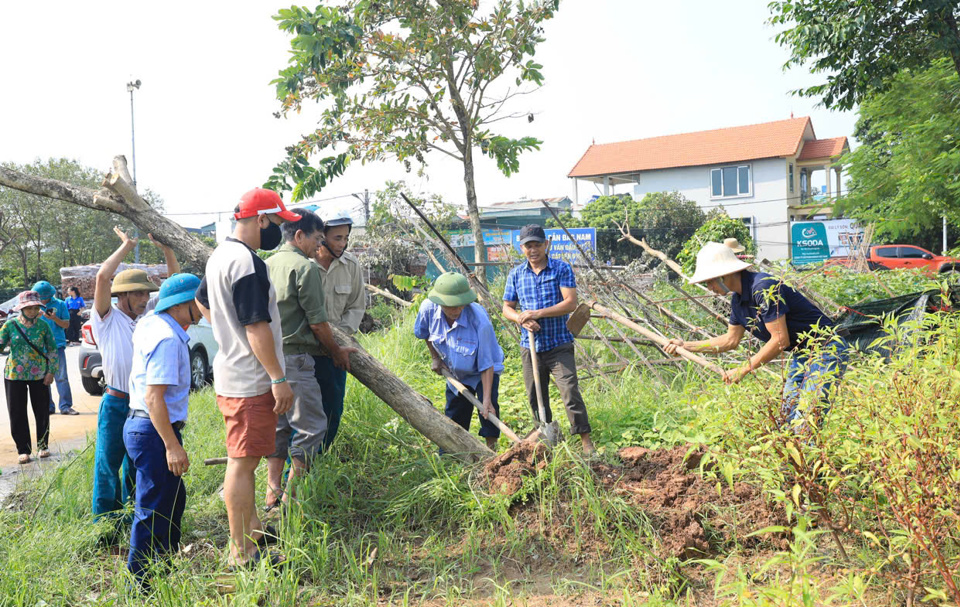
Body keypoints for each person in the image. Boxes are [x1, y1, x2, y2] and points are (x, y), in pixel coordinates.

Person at [196, 187, 300, 568]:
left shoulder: (220, 256)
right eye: (276, 223)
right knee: (243, 463)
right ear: (260, 220)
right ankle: (242, 551)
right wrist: (277, 377)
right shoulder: (248, 264)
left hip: (232, 373)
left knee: (244, 459)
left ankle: (254, 533)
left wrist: (227, 335)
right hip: (252, 380)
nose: (278, 232)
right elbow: (256, 326)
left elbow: (202, 300)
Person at [664, 242, 848, 428]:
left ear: (724, 275)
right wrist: (684, 346)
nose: (709, 287)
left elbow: (779, 340)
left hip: (826, 348)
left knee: (807, 420)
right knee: (787, 418)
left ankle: (812, 455)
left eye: (710, 280)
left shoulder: (763, 287)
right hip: (802, 353)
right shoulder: (738, 301)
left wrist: (743, 369)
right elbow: (730, 340)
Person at [264, 209, 356, 510]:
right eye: (317, 239)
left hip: (271, 360)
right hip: (299, 358)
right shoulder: (304, 268)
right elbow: (318, 324)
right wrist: (337, 352)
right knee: (313, 427)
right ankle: (292, 499)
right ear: (299, 235)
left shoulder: (267, 264)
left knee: (280, 427)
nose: (320, 246)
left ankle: (272, 492)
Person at [91, 228, 180, 524]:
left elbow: (175, 283)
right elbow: (103, 277)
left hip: (142, 406)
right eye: (139, 293)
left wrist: (166, 248)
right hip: (116, 403)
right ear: (123, 296)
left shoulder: (149, 317)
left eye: (146, 293)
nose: (145, 298)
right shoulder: (106, 318)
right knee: (107, 465)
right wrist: (127, 247)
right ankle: (104, 528)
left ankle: (133, 522)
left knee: (136, 468)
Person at [124, 273, 202, 586]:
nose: (204, 309)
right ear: (183, 305)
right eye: (200, 302)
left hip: (143, 426)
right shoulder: (168, 340)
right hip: (154, 429)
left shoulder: (151, 323)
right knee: (152, 508)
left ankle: (163, 567)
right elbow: (154, 398)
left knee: (172, 499)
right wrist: (172, 445)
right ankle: (139, 583)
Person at [502, 224, 595, 455]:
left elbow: (570, 303)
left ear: (546, 245)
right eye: (528, 246)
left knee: (570, 391)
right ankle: (546, 439)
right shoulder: (516, 274)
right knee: (536, 396)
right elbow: (507, 308)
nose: (533, 250)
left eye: (537, 245)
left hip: (558, 344)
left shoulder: (560, 269)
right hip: (530, 346)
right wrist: (521, 320)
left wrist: (537, 313)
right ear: (521, 248)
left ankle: (586, 442)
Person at [415, 273, 504, 451]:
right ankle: (451, 456)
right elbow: (424, 334)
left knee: (489, 411)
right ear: (440, 303)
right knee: (455, 414)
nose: (456, 311)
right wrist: (435, 357)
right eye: (450, 307)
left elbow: (486, 363)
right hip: (456, 373)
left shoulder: (479, 320)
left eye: (460, 305)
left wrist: (485, 399)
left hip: (483, 371)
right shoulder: (428, 309)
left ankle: (491, 453)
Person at [314, 208, 365, 449]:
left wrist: (337, 339)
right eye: (337, 238)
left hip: (336, 352)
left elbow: (356, 306)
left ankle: (318, 462)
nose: (343, 243)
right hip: (304, 353)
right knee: (302, 416)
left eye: (346, 238)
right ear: (321, 235)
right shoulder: (304, 263)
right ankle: (291, 476)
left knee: (333, 410)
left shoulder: (351, 265)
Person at [0, 291, 58, 464]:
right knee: (17, 412)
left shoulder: (43, 326)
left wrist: (51, 372)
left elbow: (53, 350)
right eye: (29, 308)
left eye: (35, 308)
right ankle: (23, 449)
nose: (33, 311)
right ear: (22, 309)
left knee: (41, 411)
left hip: (39, 375)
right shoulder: (10, 326)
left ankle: (43, 446)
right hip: (14, 375)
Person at [32, 280, 76, 416]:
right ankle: (48, 407)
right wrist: (34, 318)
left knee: (61, 377)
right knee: (44, 378)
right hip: (39, 347)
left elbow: (66, 325)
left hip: (57, 346)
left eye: (44, 298)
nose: (43, 301)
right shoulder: (32, 307)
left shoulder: (60, 304)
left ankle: (65, 406)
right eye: (41, 298)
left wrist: (54, 318)